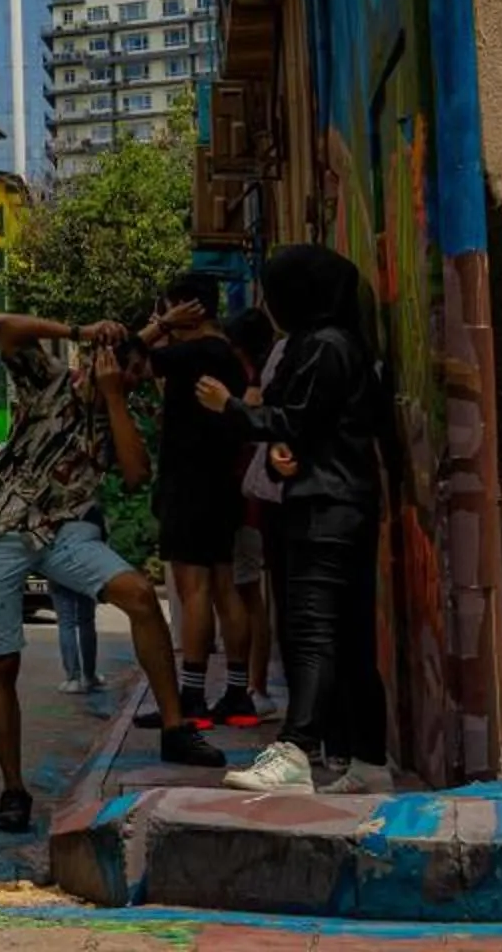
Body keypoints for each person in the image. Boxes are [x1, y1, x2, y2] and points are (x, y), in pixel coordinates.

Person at [0, 313, 226, 835]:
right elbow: (5, 328)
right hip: (3, 527)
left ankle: (175, 727)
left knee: (139, 595)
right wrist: (80, 333)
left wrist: (115, 397)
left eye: (134, 376)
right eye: (124, 371)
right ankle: (13, 788)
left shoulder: (117, 414)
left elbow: (136, 474)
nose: (131, 379)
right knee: (3, 661)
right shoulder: (50, 380)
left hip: (66, 531)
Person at [192, 243, 391, 796]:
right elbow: (311, 426)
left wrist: (229, 407)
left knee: (312, 629)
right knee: (349, 638)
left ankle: (296, 750)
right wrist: (286, 448)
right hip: (342, 502)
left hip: (324, 509)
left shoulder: (324, 346)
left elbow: (293, 418)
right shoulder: (333, 342)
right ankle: (369, 759)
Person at [139, 273, 260, 731]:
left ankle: (192, 698)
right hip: (222, 484)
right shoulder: (228, 357)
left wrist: (160, 326)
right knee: (226, 587)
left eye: (171, 307)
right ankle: (237, 694)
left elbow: (127, 360)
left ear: (188, 310)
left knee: (194, 590)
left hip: (187, 484)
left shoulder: (189, 353)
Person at [225, 306, 284, 717]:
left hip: (248, 504)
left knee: (248, 593)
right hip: (253, 502)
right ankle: (252, 684)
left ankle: (255, 686)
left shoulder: (252, 388)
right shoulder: (260, 379)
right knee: (249, 593)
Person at [48, 511, 105, 695]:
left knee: (66, 623)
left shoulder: (54, 508)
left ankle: (73, 678)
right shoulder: (92, 510)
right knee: (86, 621)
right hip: (86, 569)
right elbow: (102, 541)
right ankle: (89, 675)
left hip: (59, 567)